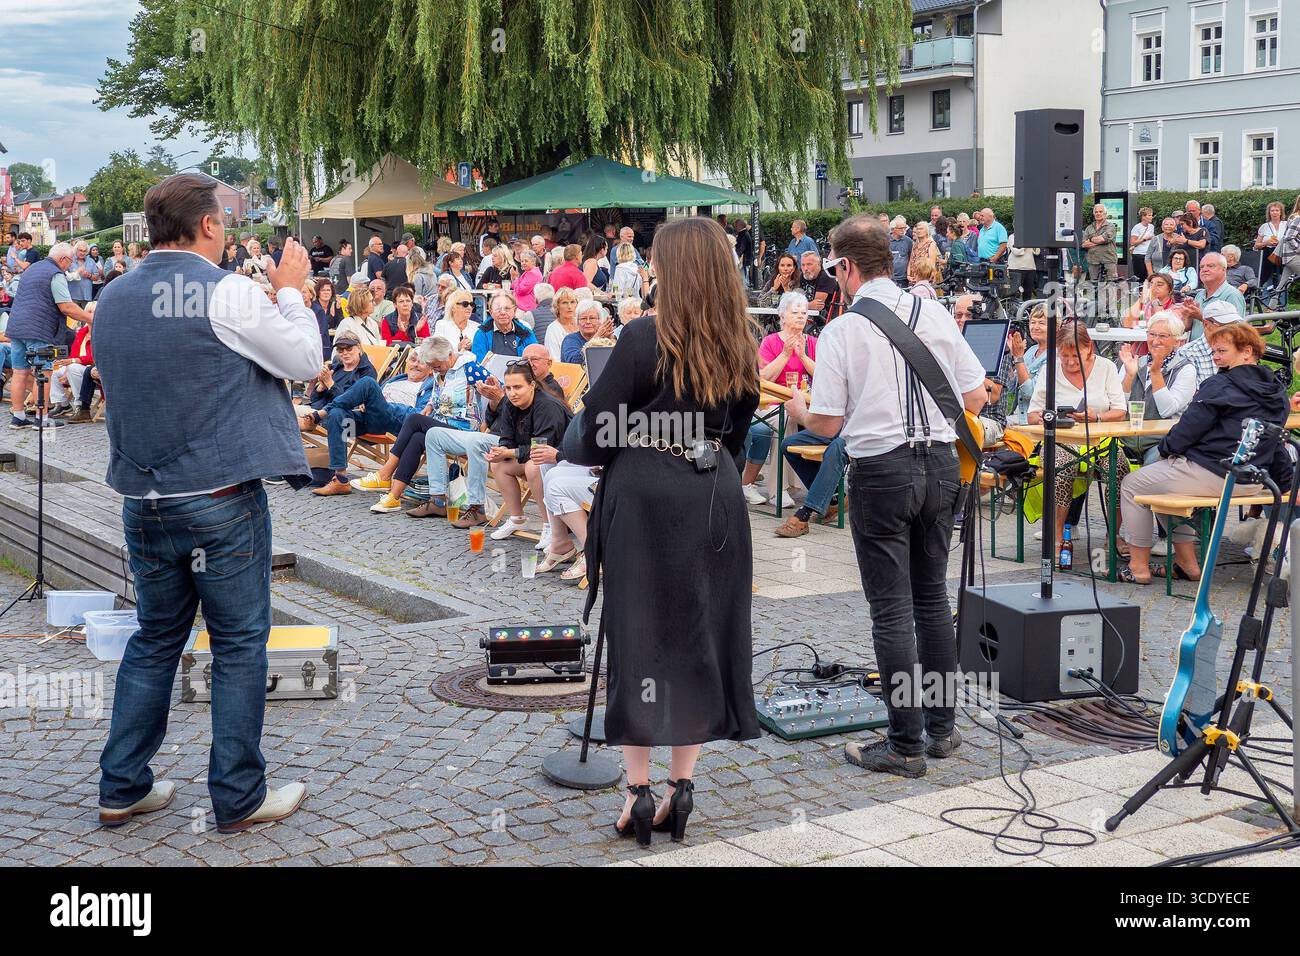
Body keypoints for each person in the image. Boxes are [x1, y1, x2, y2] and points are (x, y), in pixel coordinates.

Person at [94, 174, 321, 833]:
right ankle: (238, 797)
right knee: (241, 644)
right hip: (219, 500)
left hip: (143, 499)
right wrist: (291, 292)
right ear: (212, 225)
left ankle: (122, 785)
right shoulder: (228, 292)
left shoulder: (112, 298)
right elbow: (304, 361)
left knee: (155, 638)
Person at [565, 215, 760, 845]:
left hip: (648, 493)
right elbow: (738, 430)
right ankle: (682, 789)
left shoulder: (645, 337)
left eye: (657, 261)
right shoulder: (740, 340)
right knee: (702, 630)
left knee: (639, 633)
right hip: (712, 493)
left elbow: (594, 435)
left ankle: (637, 789)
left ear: (673, 272)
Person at [785, 214, 986, 777]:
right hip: (943, 466)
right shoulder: (936, 311)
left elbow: (824, 425)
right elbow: (974, 396)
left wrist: (798, 409)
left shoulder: (844, 329)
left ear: (845, 267)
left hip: (882, 469)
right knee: (932, 604)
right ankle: (943, 731)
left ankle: (904, 745)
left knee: (892, 610)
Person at [1119, 322, 1288, 584]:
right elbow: (1274, 443)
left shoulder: (1219, 384)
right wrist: (1286, 483)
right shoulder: (1277, 391)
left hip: (1214, 471)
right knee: (1164, 488)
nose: (1216, 356)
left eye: (1221, 351)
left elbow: (1187, 430)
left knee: (1132, 485)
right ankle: (1187, 565)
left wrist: (1166, 450)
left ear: (1247, 352)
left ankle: (1138, 567)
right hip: (1252, 481)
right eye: (1213, 352)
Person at [1027, 320, 1127, 552]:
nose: (1070, 362)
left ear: (1089, 347)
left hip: (1100, 440)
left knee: (1119, 467)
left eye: (1076, 356)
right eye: (1065, 356)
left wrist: (1097, 417)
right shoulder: (1048, 369)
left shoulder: (1106, 367)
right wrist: (1045, 419)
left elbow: (1120, 411)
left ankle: (1114, 535)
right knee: (1061, 467)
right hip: (1061, 440)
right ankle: (1057, 535)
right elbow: (1033, 413)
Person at [300, 339, 437, 496]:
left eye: (422, 362)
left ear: (430, 368)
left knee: (368, 383)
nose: (415, 364)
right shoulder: (397, 379)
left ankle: (322, 413)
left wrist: (379, 402)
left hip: (395, 422)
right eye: (413, 360)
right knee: (338, 414)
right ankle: (340, 479)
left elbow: (420, 415)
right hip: (370, 418)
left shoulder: (429, 385)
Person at [483, 361, 573, 541]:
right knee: (499, 464)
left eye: (517, 387)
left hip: (564, 457)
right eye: (508, 388)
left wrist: (508, 453)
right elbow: (506, 438)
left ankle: (550, 526)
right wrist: (501, 451)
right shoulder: (509, 403)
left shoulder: (547, 406)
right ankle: (517, 518)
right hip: (535, 455)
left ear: (531, 385)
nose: (512, 393)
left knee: (534, 466)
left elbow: (543, 447)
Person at [6, 241, 92, 428]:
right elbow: (66, 306)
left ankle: (18, 416)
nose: (69, 266)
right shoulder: (55, 274)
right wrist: (92, 318)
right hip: (40, 329)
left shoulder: (33, 268)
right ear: (63, 259)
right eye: (69, 262)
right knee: (42, 374)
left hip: (17, 327)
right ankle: (42, 418)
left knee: (19, 372)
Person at [1117, 312, 1196, 464]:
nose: (1155, 341)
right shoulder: (1134, 362)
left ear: (1178, 341)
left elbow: (1167, 409)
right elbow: (1118, 405)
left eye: (1163, 336)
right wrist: (1130, 375)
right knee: (1111, 466)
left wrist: (1155, 372)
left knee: (1149, 471)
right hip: (1124, 439)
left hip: (1162, 441)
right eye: (1152, 334)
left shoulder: (1185, 369)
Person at [1008, 303, 1052, 419]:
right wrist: (1009, 354)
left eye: (1041, 323)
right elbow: (1011, 388)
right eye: (1033, 322)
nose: (1035, 327)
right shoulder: (1031, 351)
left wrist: (1018, 358)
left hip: (1035, 419)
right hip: (1017, 415)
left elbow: (1031, 393)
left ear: (1055, 327)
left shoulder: (1055, 356)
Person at [471, 291, 538, 360]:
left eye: (507, 308)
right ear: (491, 312)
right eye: (498, 309)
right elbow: (479, 364)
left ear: (514, 311)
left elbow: (535, 359)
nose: (503, 312)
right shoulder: (482, 334)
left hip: (520, 370)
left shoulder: (526, 333)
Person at [1193, 251, 1247, 317]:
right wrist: (1186, 314)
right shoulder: (1199, 295)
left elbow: (1234, 327)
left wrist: (1199, 315)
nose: (1204, 269)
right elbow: (1194, 325)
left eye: (1210, 266)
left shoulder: (1232, 295)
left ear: (1223, 269)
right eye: (1201, 267)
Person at [561, 299, 615, 363]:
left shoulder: (605, 338)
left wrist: (612, 341)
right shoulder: (570, 339)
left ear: (600, 321)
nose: (588, 322)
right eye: (583, 318)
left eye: (592, 318)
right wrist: (596, 340)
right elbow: (574, 360)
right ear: (577, 322)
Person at [798, 250, 842, 321]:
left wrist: (800, 305)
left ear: (818, 264)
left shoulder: (826, 276)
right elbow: (795, 299)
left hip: (828, 319)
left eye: (809, 264)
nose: (805, 268)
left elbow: (817, 305)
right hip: (810, 319)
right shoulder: (803, 276)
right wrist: (807, 305)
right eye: (803, 265)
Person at [1081, 203, 1118, 281]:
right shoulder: (1089, 228)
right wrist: (1099, 240)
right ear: (1094, 214)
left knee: (1111, 285)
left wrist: (1090, 239)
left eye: (1100, 211)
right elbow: (1084, 244)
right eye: (1096, 212)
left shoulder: (1111, 226)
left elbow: (1104, 239)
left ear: (1105, 214)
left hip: (1108, 260)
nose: (1098, 213)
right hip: (1093, 261)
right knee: (1095, 286)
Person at [1255, 201, 1287, 290]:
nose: (1275, 212)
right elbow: (1256, 245)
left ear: (1281, 212)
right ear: (1269, 213)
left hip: (1283, 254)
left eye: (1277, 210)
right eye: (1272, 210)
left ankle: (1282, 300)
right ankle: (1265, 300)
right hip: (1268, 255)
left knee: (1283, 278)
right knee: (1267, 277)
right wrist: (1266, 243)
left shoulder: (1286, 225)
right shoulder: (1264, 226)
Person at [434, 289, 476, 353]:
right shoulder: (442, 325)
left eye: (471, 304)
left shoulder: (477, 327)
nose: (469, 307)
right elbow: (437, 351)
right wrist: (458, 347)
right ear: (453, 307)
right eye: (465, 304)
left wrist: (472, 347)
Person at [544, 288, 580, 360]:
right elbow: (554, 359)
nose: (569, 306)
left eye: (572, 302)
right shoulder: (553, 329)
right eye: (564, 303)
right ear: (557, 306)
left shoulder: (581, 323)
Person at [311, 277, 341, 360]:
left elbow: (341, 324)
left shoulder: (334, 304)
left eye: (328, 290)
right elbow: (321, 326)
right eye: (323, 290)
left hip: (333, 340)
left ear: (332, 293)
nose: (326, 293)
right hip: (319, 342)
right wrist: (331, 316)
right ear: (318, 292)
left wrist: (338, 309)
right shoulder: (314, 306)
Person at [1006, 233, 1039, 300]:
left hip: (1030, 267)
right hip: (1015, 268)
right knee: (1014, 292)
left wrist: (1034, 243)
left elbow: (1037, 252)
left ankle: (1027, 309)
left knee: (1028, 293)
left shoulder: (1031, 236)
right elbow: (1017, 252)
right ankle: (1014, 309)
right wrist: (1027, 243)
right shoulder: (1012, 237)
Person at [1128, 207, 1156, 281]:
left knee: (1148, 276)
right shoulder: (1137, 227)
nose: (1151, 217)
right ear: (1143, 216)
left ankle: (1146, 292)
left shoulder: (1151, 226)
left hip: (1149, 255)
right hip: (1139, 255)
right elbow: (1132, 242)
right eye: (1149, 215)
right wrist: (1145, 239)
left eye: (1151, 215)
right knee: (1139, 277)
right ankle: (1136, 291)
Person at [887, 217, 912, 284]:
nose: (903, 230)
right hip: (889, 278)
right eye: (900, 228)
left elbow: (911, 258)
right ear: (893, 229)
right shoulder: (885, 241)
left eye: (904, 228)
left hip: (904, 279)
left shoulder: (908, 241)